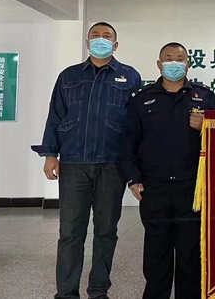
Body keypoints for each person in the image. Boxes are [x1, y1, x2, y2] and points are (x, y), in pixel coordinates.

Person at [32, 22, 141, 299]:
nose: (100, 40)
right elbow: (56, 116)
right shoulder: (68, 76)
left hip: (112, 163)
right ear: (87, 42)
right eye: (95, 36)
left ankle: (98, 290)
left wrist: (135, 168)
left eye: (107, 36)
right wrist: (50, 154)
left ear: (115, 44)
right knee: (70, 232)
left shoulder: (130, 76)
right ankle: (66, 293)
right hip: (73, 163)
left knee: (106, 231)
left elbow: (136, 126)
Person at [121, 42, 215, 299]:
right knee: (156, 254)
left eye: (179, 58)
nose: (174, 63)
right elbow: (128, 142)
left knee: (191, 254)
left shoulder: (204, 97)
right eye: (168, 58)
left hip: (193, 187)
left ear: (188, 64)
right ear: (159, 64)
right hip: (154, 187)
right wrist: (133, 178)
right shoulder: (142, 99)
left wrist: (207, 126)